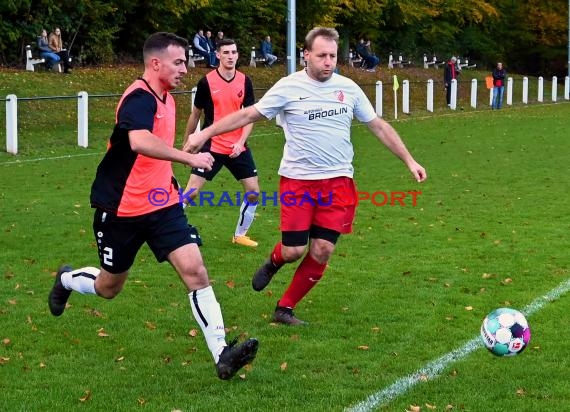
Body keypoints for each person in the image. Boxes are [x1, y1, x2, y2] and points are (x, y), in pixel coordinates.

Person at [47, 32, 258, 379]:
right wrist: (188, 159)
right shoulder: (139, 98)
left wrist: (173, 177)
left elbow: (155, 154)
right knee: (108, 288)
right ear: (155, 63)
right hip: (121, 211)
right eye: (179, 62)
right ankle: (67, 280)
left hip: (162, 206)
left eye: (186, 62)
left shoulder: (169, 100)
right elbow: (139, 141)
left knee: (196, 272)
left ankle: (222, 354)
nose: (185, 69)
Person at [184, 27, 427, 325]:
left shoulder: (348, 88)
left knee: (323, 249)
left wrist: (409, 160)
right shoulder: (288, 87)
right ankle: (274, 262)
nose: (328, 62)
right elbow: (248, 115)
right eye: (322, 55)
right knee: (294, 250)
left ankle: (284, 308)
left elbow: (377, 125)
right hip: (298, 181)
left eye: (333, 56)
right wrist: (205, 132)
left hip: (339, 181)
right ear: (306, 55)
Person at [182, 38, 260, 248]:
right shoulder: (206, 82)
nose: (230, 56)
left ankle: (240, 235)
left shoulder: (245, 81)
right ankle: (169, 229)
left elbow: (250, 116)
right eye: (226, 52)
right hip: (212, 147)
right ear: (217, 55)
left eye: (234, 52)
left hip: (237, 147)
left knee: (253, 192)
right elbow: (195, 115)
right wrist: (186, 145)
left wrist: (241, 142)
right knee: (192, 192)